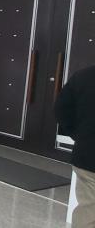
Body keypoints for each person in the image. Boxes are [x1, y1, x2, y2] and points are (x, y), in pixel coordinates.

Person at [54, 65, 95, 227]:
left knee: (89, 212)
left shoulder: (83, 76)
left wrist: (80, 136)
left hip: (88, 157)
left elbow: (61, 110)